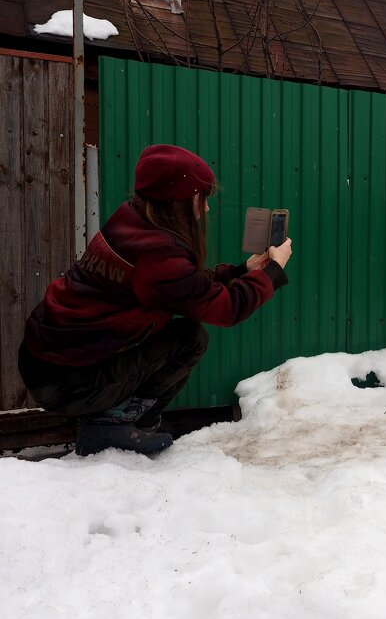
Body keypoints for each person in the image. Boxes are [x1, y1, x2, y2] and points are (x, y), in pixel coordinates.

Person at [18, 144, 293, 456]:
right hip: (66, 382)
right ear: (178, 200)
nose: (205, 209)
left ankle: (119, 420)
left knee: (183, 334)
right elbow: (227, 309)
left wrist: (243, 270)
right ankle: (113, 426)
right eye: (200, 197)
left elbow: (184, 284)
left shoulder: (131, 221)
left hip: (50, 363)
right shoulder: (160, 253)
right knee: (190, 338)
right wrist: (273, 270)